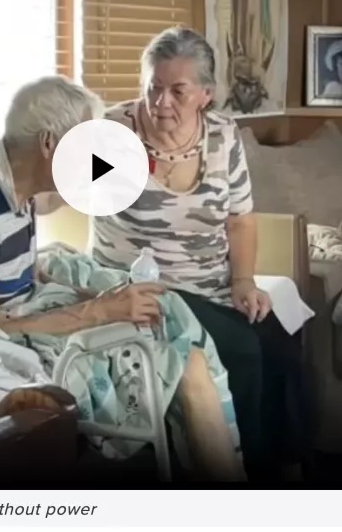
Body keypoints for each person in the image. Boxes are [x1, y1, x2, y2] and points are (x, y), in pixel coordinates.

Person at [0, 75, 244, 481]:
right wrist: (97, 310)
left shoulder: (18, 183)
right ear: (49, 144)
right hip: (10, 331)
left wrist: (97, 294)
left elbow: (26, 271)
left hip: (34, 304)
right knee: (182, 363)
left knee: (182, 343)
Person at [90, 27, 311, 482]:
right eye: (153, 88)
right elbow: (74, 187)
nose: (160, 102)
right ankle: (240, 478)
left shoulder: (223, 137)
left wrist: (243, 282)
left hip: (210, 282)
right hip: (144, 288)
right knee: (241, 352)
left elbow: (240, 221)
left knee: (283, 348)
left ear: (205, 95)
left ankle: (287, 470)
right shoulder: (113, 134)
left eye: (177, 90)